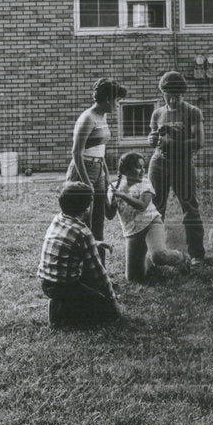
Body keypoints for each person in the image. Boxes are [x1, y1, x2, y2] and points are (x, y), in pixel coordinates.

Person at [37, 181, 123, 327]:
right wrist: (112, 300)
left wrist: (95, 243)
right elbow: (98, 272)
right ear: (87, 208)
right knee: (107, 312)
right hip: (65, 286)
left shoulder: (58, 218)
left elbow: (69, 241)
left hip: (46, 283)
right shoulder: (83, 231)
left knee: (88, 291)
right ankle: (63, 314)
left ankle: (60, 304)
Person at [147, 70, 207, 265]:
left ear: (183, 94)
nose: (172, 100)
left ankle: (197, 254)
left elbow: (198, 142)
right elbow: (152, 138)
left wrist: (173, 142)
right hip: (159, 163)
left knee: (189, 207)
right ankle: (155, 252)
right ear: (162, 93)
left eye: (177, 96)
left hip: (182, 164)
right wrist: (152, 139)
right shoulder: (157, 113)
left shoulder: (193, 112)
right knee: (155, 208)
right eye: (168, 95)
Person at [105, 152, 191, 281]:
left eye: (143, 167)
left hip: (151, 224)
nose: (142, 171)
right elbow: (110, 215)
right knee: (133, 278)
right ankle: (147, 259)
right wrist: (105, 200)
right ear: (125, 170)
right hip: (133, 231)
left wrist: (122, 195)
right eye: (138, 167)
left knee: (159, 256)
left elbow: (142, 205)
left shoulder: (145, 183)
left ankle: (182, 257)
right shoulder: (114, 188)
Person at [67, 77, 128, 261]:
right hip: (82, 169)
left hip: (99, 169)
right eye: (117, 101)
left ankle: (100, 272)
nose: (118, 105)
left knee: (99, 221)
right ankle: (83, 270)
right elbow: (76, 152)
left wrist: (106, 175)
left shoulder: (103, 116)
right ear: (108, 99)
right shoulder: (87, 118)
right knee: (83, 222)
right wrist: (86, 183)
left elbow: (100, 150)